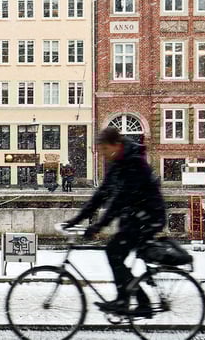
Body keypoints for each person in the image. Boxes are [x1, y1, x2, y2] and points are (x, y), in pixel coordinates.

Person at [62, 126, 166, 316]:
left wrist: (98, 226)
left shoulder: (133, 162)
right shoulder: (118, 163)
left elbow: (120, 200)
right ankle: (128, 301)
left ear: (116, 145)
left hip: (148, 217)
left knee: (114, 253)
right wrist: (76, 219)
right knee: (115, 255)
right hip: (134, 217)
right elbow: (101, 194)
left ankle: (136, 303)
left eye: (104, 149)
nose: (103, 154)